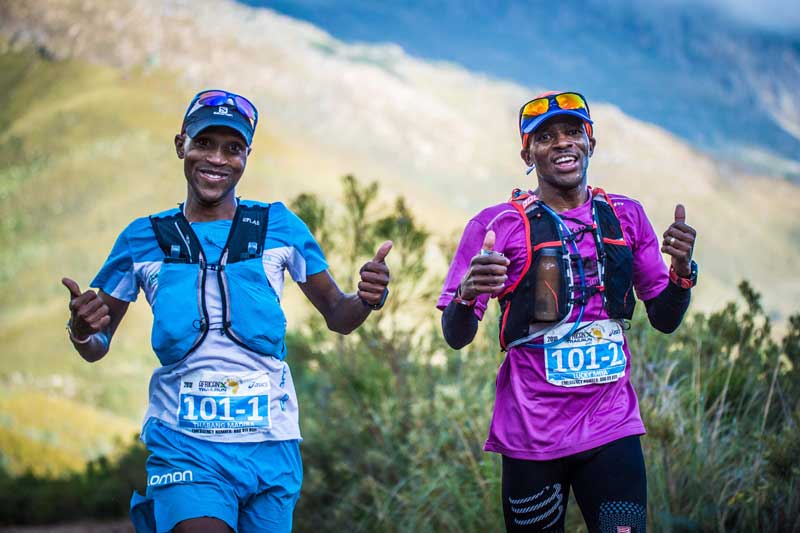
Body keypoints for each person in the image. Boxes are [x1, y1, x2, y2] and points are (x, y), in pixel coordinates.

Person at [62, 89, 392, 533]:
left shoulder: (279, 227)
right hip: (185, 445)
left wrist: (368, 298)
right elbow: (97, 344)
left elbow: (338, 315)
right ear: (181, 145)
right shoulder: (142, 239)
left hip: (270, 449)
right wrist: (82, 330)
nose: (217, 159)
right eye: (204, 144)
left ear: (247, 157)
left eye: (232, 149)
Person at [438, 91, 697, 532]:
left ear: (590, 144)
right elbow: (456, 335)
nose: (562, 143)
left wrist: (681, 271)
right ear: (527, 153)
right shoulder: (496, 225)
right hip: (530, 435)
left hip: (611, 425)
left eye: (573, 132)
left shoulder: (625, 216)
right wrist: (466, 293)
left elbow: (665, 318)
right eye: (546, 137)